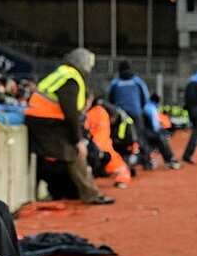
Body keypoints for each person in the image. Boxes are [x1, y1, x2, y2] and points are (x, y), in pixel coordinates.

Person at [25, 48, 114, 205]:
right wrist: (78, 140)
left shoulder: (61, 72)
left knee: (43, 156)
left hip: (38, 120)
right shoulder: (71, 79)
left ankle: (37, 194)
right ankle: (90, 194)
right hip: (48, 122)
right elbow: (70, 112)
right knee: (73, 152)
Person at [108, 61, 152, 169]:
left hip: (120, 115)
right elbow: (145, 97)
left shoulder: (115, 83)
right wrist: (139, 109)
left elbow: (110, 99)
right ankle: (146, 162)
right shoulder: (137, 81)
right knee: (140, 137)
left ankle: (119, 163)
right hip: (135, 113)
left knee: (118, 138)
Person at [85, 95, 133, 189]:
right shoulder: (100, 112)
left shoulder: (95, 112)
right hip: (100, 150)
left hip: (94, 150)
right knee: (122, 170)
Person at [142, 94, 180, 169]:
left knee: (157, 140)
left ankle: (148, 161)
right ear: (156, 101)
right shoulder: (151, 108)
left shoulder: (146, 105)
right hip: (147, 132)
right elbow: (155, 125)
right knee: (161, 139)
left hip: (141, 131)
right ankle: (170, 160)